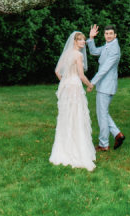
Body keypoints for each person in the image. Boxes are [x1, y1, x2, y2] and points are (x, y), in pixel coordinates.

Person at [49, 31, 96, 171]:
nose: (83, 42)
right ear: (75, 41)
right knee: (76, 116)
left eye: (83, 40)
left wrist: (65, 81)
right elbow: (81, 75)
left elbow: (57, 71)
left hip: (66, 87)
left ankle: (64, 149)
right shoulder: (78, 55)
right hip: (75, 87)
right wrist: (90, 85)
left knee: (66, 116)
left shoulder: (66, 54)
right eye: (80, 40)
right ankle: (77, 150)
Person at [87, 23, 125, 151]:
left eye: (111, 34)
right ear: (104, 35)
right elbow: (93, 51)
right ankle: (117, 134)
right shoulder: (107, 46)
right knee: (103, 113)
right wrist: (91, 38)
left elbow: (104, 69)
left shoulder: (114, 49)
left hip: (106, 86)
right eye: (106, 34)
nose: (108, 36)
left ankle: (104, 144)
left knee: (102, 115)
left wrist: (92, 83)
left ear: (115, 35)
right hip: (104, 85)